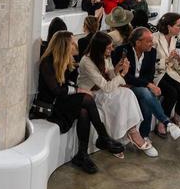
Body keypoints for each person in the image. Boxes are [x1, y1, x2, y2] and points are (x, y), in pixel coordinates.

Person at [36, 31, 125, 174]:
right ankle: (102, 137)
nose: (75, 44)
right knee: (87, 99)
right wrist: (78, 91)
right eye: (72, 42)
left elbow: (68, 83)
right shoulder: (47, 62)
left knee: (84, 110)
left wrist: (78, 89)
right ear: (64, 45)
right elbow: (56, 90)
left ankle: (82, 154)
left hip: (61, 101)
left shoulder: (65, 59)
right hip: (50, 106)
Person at [77, 32, 155, 157]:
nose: (112, 50)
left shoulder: (104, 56)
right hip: (91, 93)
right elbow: (107, 87)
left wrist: (117, 70)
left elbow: (110, 76)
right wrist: (123, 74)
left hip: (103, 89)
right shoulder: (87, 61)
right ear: (99, 48)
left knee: (128, 93)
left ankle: (132, 131)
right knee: (116, 98)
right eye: (109, 47)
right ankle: (120, 137)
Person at [116, 27, 180, 141]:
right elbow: (126, 76)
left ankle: (145, 136)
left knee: (146, 101)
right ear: (138, 42)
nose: (151, 44)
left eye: (152, 41)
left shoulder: (151, 52)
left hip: (140, 85)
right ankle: (166, 122)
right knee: (145, 91)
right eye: (148, 41)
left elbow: (150, 74)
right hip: (124, 85)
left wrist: (147, 84)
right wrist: (148, 85)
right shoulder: (122, 51)